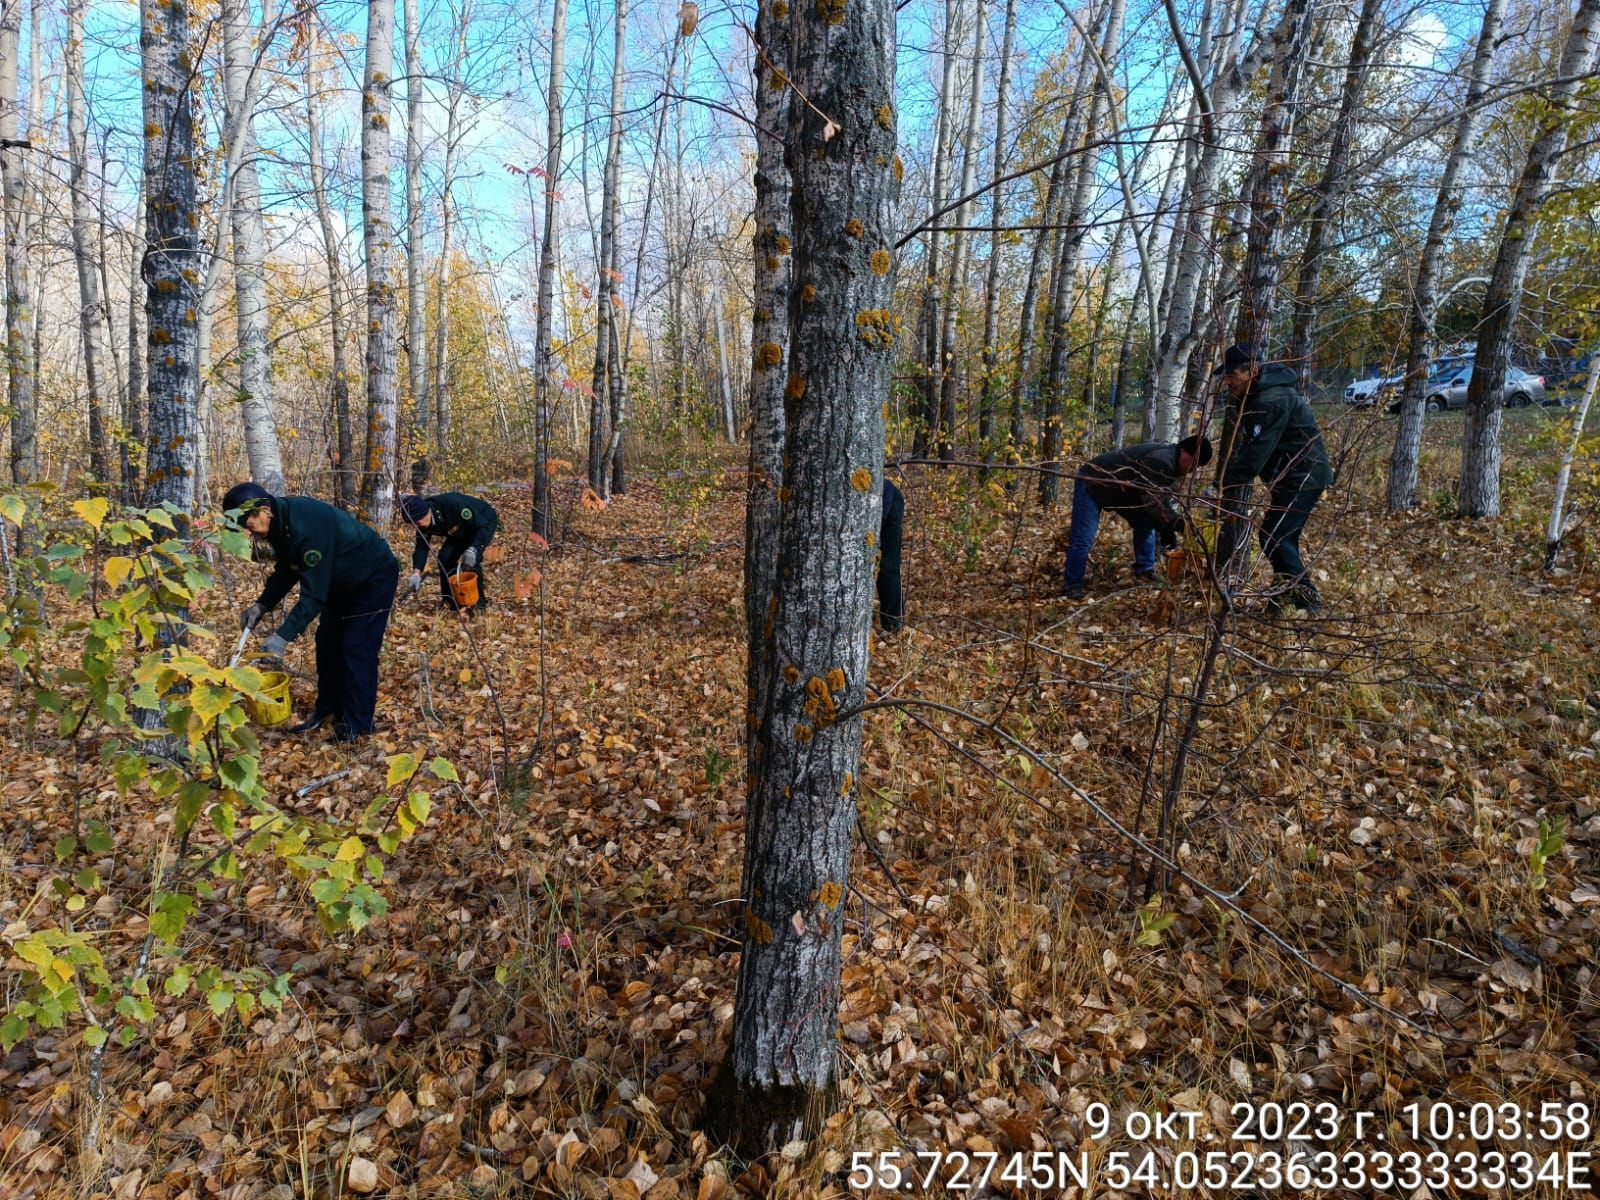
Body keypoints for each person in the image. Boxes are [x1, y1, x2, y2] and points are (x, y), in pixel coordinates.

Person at [222, 482, 400, 741]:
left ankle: (357, 725)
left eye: (247, 521)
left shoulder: (305, 527)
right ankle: (328, 711)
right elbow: (287, 570)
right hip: (339, 582)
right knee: (327, 642)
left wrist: (281, 638)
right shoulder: (279, 525)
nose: (246, 529)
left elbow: (314, 595)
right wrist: (262, 604)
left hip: (372, 578)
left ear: (264, 509)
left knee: (356, 648)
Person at [1210, 343, 1331, 614]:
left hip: (1303, 475)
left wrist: (1221, 484)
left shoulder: (1270, 400)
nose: (1227, 382)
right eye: (1225, 376)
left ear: (1251, 371)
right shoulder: (1259, 396)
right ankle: (1282, 599)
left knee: (1274, 536)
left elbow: (1256, 454)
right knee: (1279, 537)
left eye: (1232, 376)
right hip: (1291, 476)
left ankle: (1308, 600)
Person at [1062, 434, 1213, 600]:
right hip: (1092, 482)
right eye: (1194, 462)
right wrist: (1177, 525)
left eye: (1198, 466)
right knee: (1083, 537)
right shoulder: (1162, 461)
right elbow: (1153, 502)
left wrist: (1166, 527)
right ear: (1184, 451)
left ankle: (1144, 570)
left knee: (1145, 523)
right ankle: (1072, 583)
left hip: (1120, 493)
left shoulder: (1174, 468)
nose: (1193, 469)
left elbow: (1158, 504)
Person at [400, 492, 499, 610]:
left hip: (482, 522)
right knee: (445, 559)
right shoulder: (422, 523)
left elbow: (482, 527)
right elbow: (422, 547)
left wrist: (474, 549)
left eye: (416, 522)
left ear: (426, 512)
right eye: (412, 523)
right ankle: (451, 601)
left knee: (471, 562)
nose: (415, 526)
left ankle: (478, 605)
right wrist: (416, 572)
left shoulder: (454, 506)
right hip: (459, 529)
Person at [878, 479, 904, 633]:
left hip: (890, 502)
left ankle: (893, 623)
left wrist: (878, 526)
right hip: (882, 502)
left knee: (887, 567)